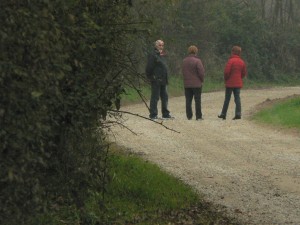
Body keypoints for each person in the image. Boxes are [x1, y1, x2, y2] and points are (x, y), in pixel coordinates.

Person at [145, 39, 173, 120]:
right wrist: (151, 77)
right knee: (155, 97)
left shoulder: (163, 55)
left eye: (162, 45)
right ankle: (153, 115)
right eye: (159, 45)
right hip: (156, 80)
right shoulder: (153, 55)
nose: (161, 47)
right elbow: (148, 68)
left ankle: (165, 114)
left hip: (164, 79)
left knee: (165, 97)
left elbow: (164, 67)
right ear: (156, 45)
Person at [218, 46, 247, 120]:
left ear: (233, 52)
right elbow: (244, 73)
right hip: (238, 83)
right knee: (237, 98)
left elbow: (226, 72)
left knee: (227, 99)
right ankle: (238, 114)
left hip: (230, 83)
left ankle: (223, 114)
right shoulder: (242, 61)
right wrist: (239, 78)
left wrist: (226, 79)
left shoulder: (230, 61)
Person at [182, 45, 205, 120]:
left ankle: (189, 116)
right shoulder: (198, 61)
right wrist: (202, 80)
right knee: (197, 100)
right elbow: (201, 72)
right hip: (197, 84)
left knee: (188, 100)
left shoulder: (184, 61)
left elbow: (183, 72)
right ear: (196, 51)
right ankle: (198, 116)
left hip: (187, 84)